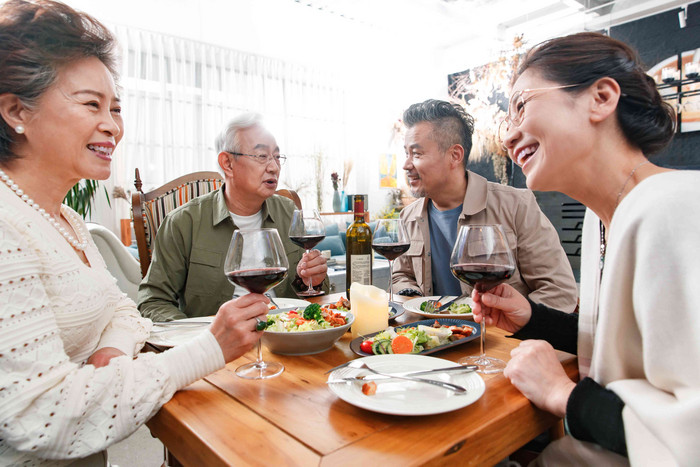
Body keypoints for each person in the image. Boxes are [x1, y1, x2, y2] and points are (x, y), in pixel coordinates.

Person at [0, 1, 269, 464]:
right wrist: (208, 349)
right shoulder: (7, 226)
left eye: (116, 107)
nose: (113, 125)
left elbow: (123, 310)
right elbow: (39, 415)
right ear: (15, 110)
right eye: (91, 104)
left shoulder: (62, 219)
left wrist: (110, 348)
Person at [475, 32, 699, 464]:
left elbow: (690, 436)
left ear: (600, 98)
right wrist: (534, 319)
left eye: (522, 105)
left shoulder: (673, 209)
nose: (508, 135)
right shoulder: (605, 218)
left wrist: (562, 394)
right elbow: (633, 354)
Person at [137, 114, 329, 322]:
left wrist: (312, 279)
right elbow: (153, 302)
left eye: (276, 157)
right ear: (227, 163)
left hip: (284, 339)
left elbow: (311, 294)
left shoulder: (288, 212)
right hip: (218, 348)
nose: (274, 167)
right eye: (262, 156)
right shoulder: (183, 223)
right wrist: (198, 340)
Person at [393, 99, 578, 312]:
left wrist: (510, 325)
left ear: (455, 155)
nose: (406, 165)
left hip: (500, 340)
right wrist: (415, 298)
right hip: (434, 337)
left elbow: (558, 290)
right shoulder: (408, 217)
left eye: (416, 154)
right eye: (406, 154)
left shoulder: (516, 205)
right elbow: (401, 275)